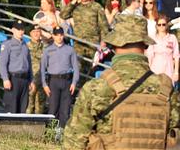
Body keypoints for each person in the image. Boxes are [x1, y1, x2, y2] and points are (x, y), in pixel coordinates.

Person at [62, 15, 179, 149]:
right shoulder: (167, 90)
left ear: (114, 44)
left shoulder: (96, 88)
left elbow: (73, 142)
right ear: (146, 45)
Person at [61, 0, 107, 79]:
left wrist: (103, 42)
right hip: (79, 44)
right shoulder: (75, 7)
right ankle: (77, 92)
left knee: (91, 72)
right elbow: (63, 15)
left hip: (93, 44)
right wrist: (73, 2)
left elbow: (104, 26)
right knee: (77, 69)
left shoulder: (96, 6)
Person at [40, 27, 79, 134]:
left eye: (61, 35)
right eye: (57, 35)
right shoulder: (48, 50)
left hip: (67, 81)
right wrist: (44, 84)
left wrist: (74, 82)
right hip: (53, 81)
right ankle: (51, 133)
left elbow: (75, 67)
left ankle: (62, 133)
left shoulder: (70, 50)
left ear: (63, 35)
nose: (59, 37)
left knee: (65, 109)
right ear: (53, 36)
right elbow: (42, 68)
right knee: (53, 108)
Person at [0, 20, 33, 113]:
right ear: (13, 30)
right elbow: (2, 63)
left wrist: (31, 80)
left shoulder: (25, 45)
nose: (21, 32)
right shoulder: (7, 45)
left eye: (22, 29)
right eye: (18, 29)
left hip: (24, 80)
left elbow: (29, 64)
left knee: (23, 107)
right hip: (13, 79)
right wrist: (5, 79)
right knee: (12, 107)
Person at [146, 15, 179, 85]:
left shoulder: (172, 38)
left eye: (163, 24)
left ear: (166, 25)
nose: (161, 26)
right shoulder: (153, 38)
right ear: (156, 26)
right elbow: (150, 55)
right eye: (159, 24)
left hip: (169, 68)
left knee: (169, 89)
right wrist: (148, 71)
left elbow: (176, 56)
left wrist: (176, 72)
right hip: (156, 67)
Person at [25, 26, 47, 114]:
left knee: (40, 106)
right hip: (30, 79)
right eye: (34, 31)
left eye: (38, 31)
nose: (36, 33)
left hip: (42, 80)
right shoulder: (26, 47)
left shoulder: (45, 47)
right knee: (29, 105)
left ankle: (39, 126)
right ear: (30, 34)